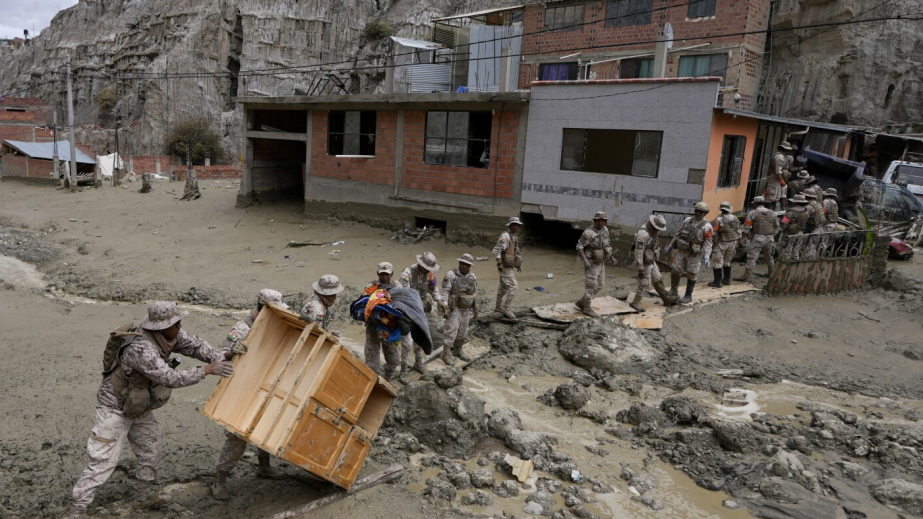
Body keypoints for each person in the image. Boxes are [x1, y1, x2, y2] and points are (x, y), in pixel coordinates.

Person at [68, 301, 234, 518]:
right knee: (103, 462)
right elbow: (169, 377)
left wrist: (219, 356)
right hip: (113, 409)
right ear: (161, 326)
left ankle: (144, 498)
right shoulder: (141, 348)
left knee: (150, 448)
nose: (180, 327)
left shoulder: (170, 334)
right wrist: (208, 370)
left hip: (138, 405)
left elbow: (195, 345)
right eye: (176, 323)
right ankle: (77, 510)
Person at [212, 289, 288, 501]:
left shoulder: (272, 324)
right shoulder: (243, 327)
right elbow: (221, 353)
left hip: (262, 384)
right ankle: (220, 479)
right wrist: (233, 350)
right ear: (262, 308)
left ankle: (264, 468)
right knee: (237, 436)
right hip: (239, 387)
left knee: (264, 427)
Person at [398, 252, 439, 377]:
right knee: (407, 342)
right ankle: (403, 369)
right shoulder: (407, 273)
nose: (428, 271)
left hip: (421, 310)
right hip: (408, 310)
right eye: (427, 268)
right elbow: (404, 294)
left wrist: (440, 301)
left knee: (420, 337)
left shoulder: (429, 274)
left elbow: (434, 289)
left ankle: (418, 362)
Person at [667, 202, 714, 304]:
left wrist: (706, 256)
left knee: (691, 274)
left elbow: (708, 242)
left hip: (695, 254)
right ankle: (673, 290)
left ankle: (688, 295)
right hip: (683, 250)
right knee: (675, 270)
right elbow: (678, 233)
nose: (697, 213)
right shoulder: (688, 221)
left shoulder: (707, 226)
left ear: (705, 213)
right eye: (696, 211)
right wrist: (671, 245)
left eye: (700, 211)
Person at [437, 253, 478, 367]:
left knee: (463, 329)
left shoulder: (472, 276)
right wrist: (445, 306)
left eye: (467, 265)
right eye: (463, 264)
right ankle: (446, 353)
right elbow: (445, 291)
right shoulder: (451, 275)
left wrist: (476, 307)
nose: (465, 266)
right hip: (454, 306)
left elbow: (475, 292)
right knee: (451, 329)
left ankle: (458, 350)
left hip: (466, 307)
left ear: (470, 266)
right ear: (459, 263)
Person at [629, 214, 676, 311]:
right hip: (643, 261)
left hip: (650, 259)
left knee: (657, 278)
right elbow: (638, 253)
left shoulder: (652, 232)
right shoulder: (643, 234)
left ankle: (666, 298)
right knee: (643, 282)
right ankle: (636, 302)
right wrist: (641, 268)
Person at [575, 211, 613, 317]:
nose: (601, 223)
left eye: (603, 221)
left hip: (601, 260)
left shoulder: (605, 230)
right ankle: (587, 307)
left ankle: (582, 302)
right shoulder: (589, 232)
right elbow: (579, 246)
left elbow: (606, 244)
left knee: (601, 285)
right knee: (590, 285)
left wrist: (611, 256)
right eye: (599, 220)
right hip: (591, 260)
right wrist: (585, 261)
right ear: (595, 220)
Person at [736, 196, 779, 282]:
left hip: (758, 238)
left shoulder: (752, 213)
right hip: (770, 238)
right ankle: (771, 274)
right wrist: (771, 235)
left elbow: (746, 227)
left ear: (755, 203)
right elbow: (777, 226)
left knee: (752, 257)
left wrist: (742, 239)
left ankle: (746, 276)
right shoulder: (772, 213)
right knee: (769, 257)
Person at [492, 217, 523, 319]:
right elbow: (497, 250)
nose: (515, 227)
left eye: (517, 225)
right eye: (513, 225)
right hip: (504, 266)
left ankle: (498, 306)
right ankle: (506, 307)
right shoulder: (505, 236)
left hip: (509, 265)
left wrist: (518, 264)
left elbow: (515, 252)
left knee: (503, 287)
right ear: (509, 226)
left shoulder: (515, 237)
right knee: (514, 286)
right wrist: (499, 263)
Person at [708, 201, 740, 288]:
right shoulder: (735, 218)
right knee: (727, 261)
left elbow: (714, 232)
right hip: (733, 242)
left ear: (721, 209)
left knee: (718, 261)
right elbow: (738, 229)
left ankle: (717, 282)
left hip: (721, 243)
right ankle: (727, 280)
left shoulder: (718, 219)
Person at [780, 194, 811, 261]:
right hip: (800, 232)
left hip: (790, 233)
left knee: (787, 251)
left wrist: (780, 230)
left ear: (795, 202)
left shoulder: (790, 212)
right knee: (796, 251)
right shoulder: (806, 212)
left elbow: (784, 224)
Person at [765, 142, 794, 209]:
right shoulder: (780, 157)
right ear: (786, 149)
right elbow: (778, 171)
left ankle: (771, 212)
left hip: (776, 179)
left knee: (776, 197)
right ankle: (766, 213)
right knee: (772, 196)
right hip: (775, 179)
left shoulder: (779, 155)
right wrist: (781, 180)